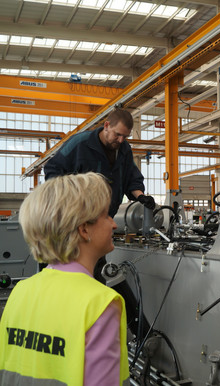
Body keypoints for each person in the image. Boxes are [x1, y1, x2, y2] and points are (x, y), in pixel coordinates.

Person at [0, 173, 129, 385]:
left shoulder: (20, 291)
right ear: (84, 229)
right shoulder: (100, 303)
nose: (114, 224)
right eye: (106, 215)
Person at [44, 108, 154, 338]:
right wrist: (70, 204)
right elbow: (53, 169)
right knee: (75, 270)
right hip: (77, 223)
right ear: (106, 125)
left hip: (101, 222)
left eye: (125, 136)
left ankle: (120, 330)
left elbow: (131, 177)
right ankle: (64, 326)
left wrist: (140, 196)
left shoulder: (123, 149)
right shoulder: (80, 143)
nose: (121, 140)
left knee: (98, 271)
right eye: (117, 134)